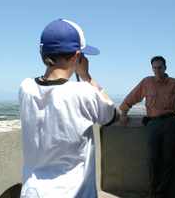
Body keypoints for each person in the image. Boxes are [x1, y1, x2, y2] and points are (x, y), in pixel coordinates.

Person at [19, 19, 118, 198]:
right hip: (73, 193)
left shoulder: (25, 88)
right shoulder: (83, 92)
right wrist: (86, 76)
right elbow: (112, 115)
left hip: (32, 191)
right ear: (77, 56)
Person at [119, 56, 175, 198]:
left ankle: (162, 193)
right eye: (154, 68)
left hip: (170, 123)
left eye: (160, 67)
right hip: (153, 124)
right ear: (152, 68)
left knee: (169, 159)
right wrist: (124, 112)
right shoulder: (147, 82)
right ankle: (152, 192)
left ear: (165, 67)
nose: (157, 70)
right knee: (152, 159)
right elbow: (133, 96)